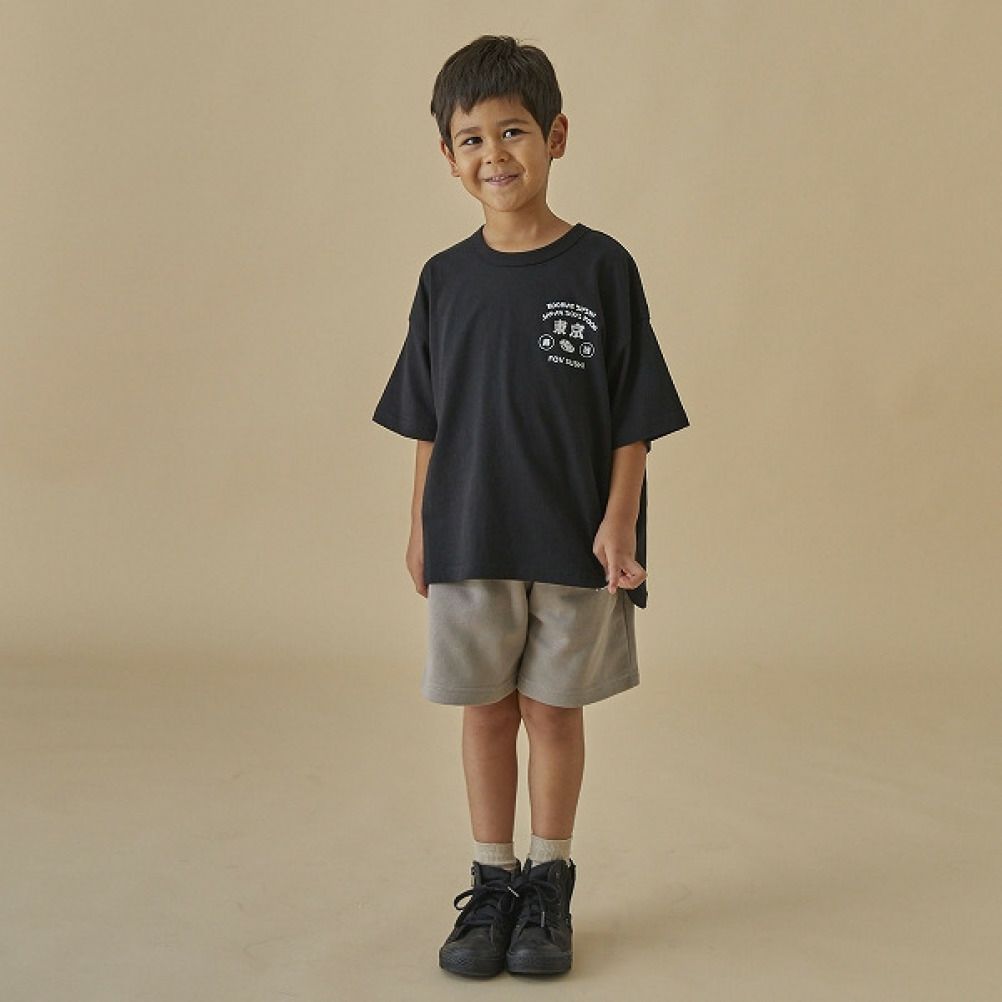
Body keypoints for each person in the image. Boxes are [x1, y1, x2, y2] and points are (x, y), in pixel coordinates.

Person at [371, 34, 690, 978]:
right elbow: (427, 419)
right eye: (471, 139)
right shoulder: (444, 279)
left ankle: (549, 882)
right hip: (470, 537)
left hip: (574, 541)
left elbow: (633, 415)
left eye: (513, 132)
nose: (494, 155)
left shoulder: (602, 268)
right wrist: (420, 525)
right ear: (448, 156)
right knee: (484, 712)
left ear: (555, 136)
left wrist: (619, 520)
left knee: (552, 712)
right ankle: (493, 882)